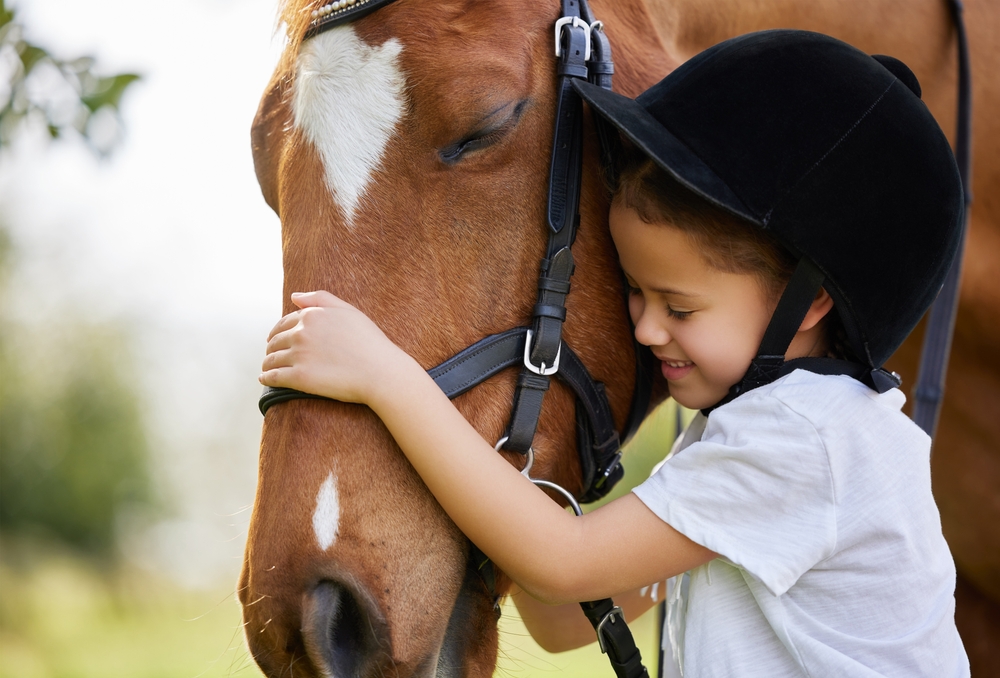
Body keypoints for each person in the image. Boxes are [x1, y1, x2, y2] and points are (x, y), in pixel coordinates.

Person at [259, 30, 970, 677]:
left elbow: (564, 566)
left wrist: (390, 379)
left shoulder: (801, 441)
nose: (648, 329)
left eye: (680, 306)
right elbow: (566, 620)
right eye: (635, 292)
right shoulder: (766, 433)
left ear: (809, 302)